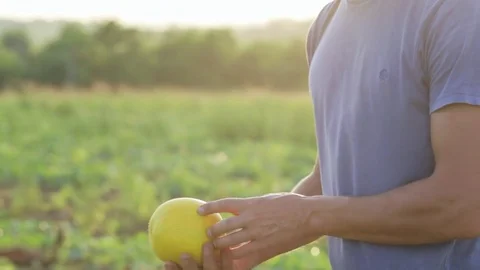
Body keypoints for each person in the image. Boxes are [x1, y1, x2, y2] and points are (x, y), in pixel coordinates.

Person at [165, 0, 480, 269]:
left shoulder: (457, 13)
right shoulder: (326, 23)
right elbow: (327, 175)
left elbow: (465, 204)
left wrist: (309, 216)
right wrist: (244, 245)